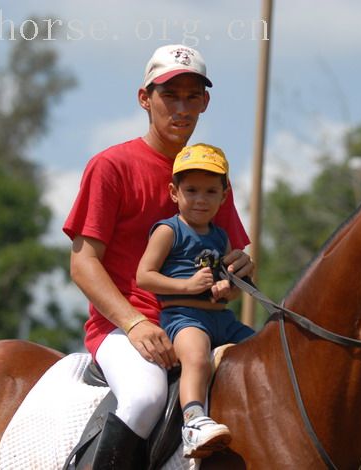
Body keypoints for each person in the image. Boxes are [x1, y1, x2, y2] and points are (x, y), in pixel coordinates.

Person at [63, 44, 253, 468]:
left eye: (192, 96)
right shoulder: (112, 166)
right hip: (127, 327)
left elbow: (230, 256)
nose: (181, 108)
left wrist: (239, 267)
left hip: (205, 322)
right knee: (146, 397)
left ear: (205, 102)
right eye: (170, 95)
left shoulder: (209, 175)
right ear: (144, 99)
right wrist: (133, 324)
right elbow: (83, 263)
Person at [137, 143, 255, 459]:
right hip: (184, 316)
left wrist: (226, 289)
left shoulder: (221, 237)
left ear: (223, 196)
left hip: (223, 319)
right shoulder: (168, 230)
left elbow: (228, 284)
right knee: (197, 357)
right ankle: (192, 421)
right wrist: (187, 286)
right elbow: (144, 276)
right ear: (174, 193)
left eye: (209, 191)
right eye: (191, 190)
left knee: (262, 348)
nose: (200, 199)